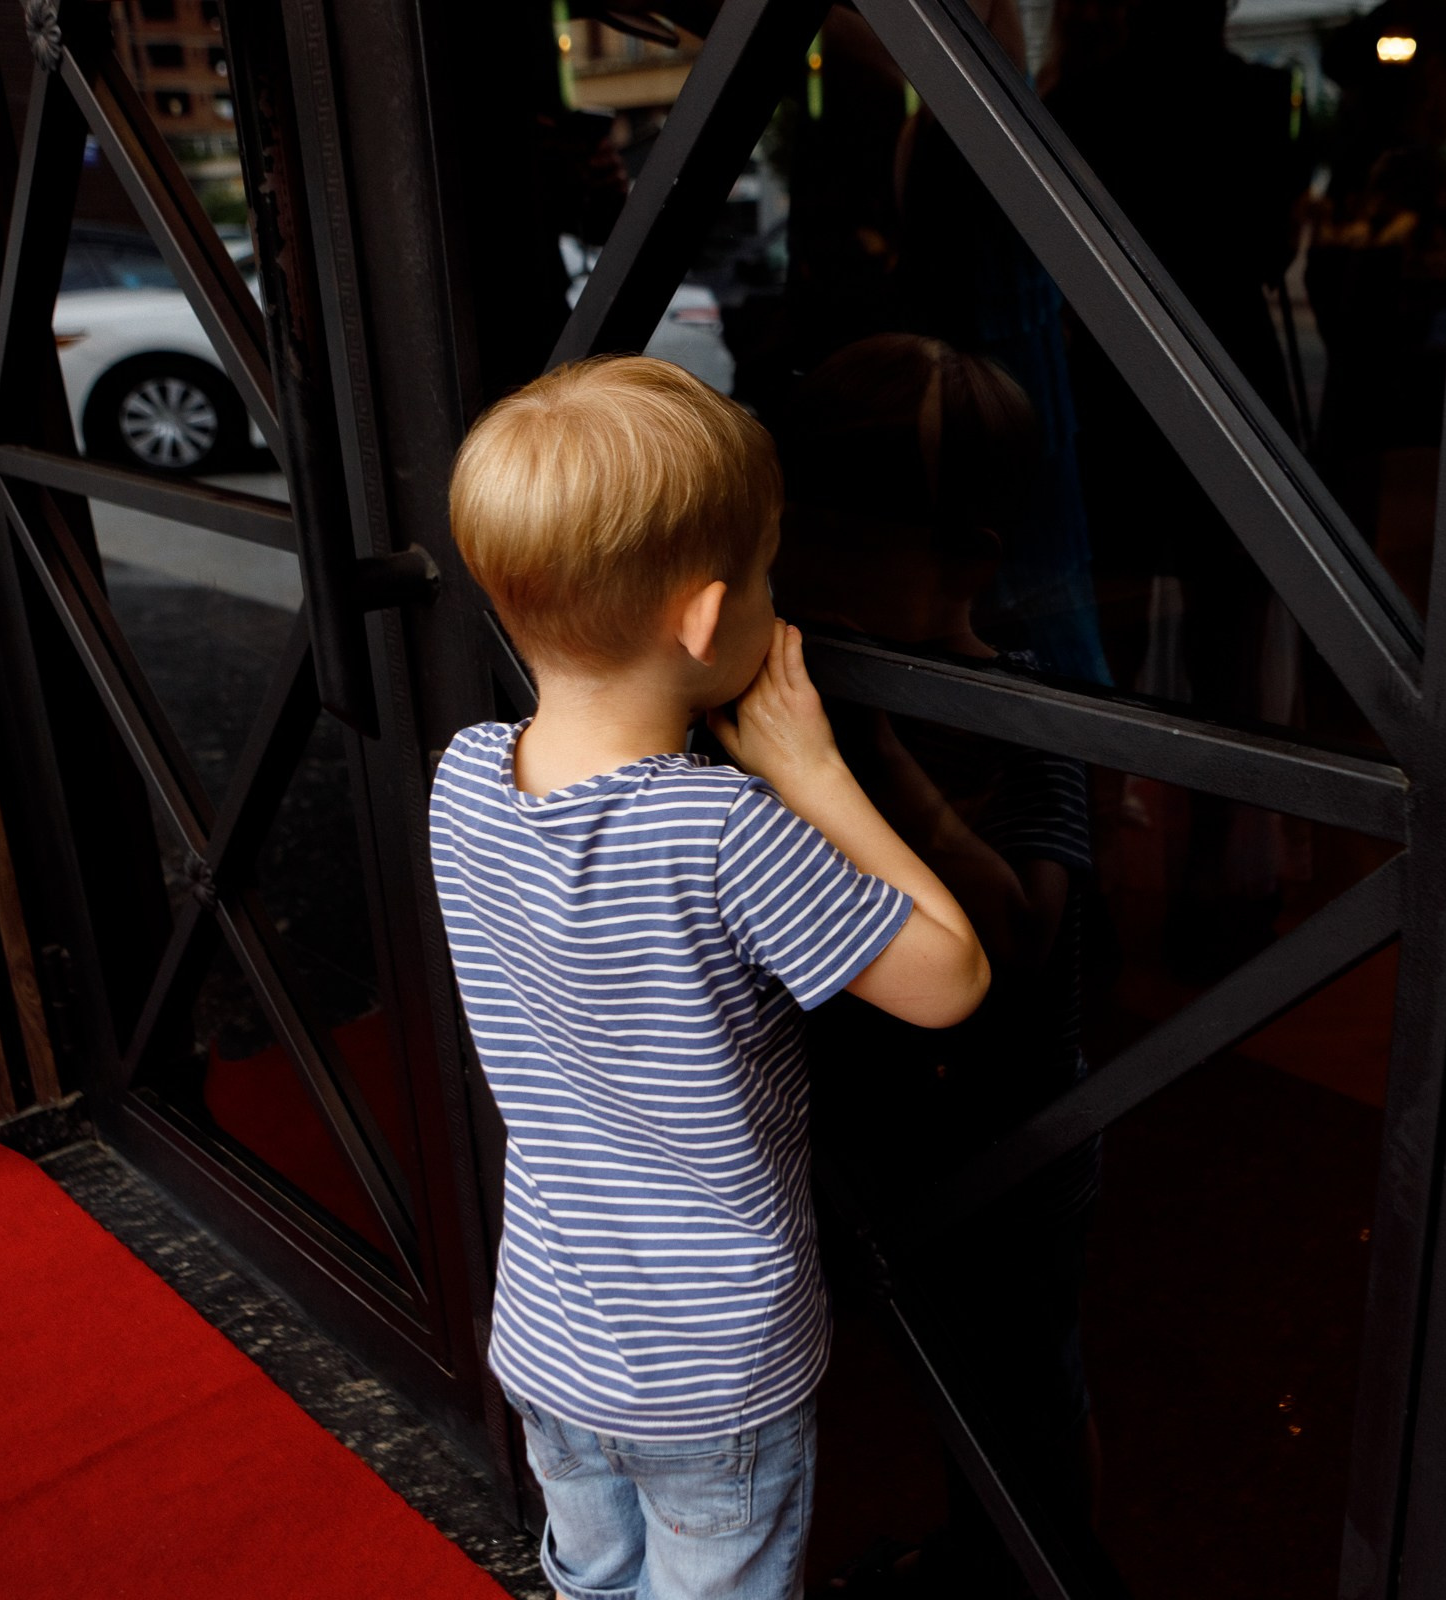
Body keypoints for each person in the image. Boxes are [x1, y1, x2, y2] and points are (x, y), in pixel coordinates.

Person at [428, 355, 990, 1600]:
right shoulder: (719, 830)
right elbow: (950, 976)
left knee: (592, 1580)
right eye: (771, 573)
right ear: (701, 618)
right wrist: (817, 771)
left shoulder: (463, 779)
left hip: (551, 1335)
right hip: (711, 1368)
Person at [773, 336, 1103, 1592]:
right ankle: (973, 1553)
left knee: (1027, 1385)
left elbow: (1023, 933)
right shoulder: (821, 688)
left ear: (969, 561)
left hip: (1017, 1137)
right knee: (930, 1367)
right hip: (884, 1121)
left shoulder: (1024, 708)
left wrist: (872, 748)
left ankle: (1039, 1566)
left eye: (843, 561)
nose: (810, 592)